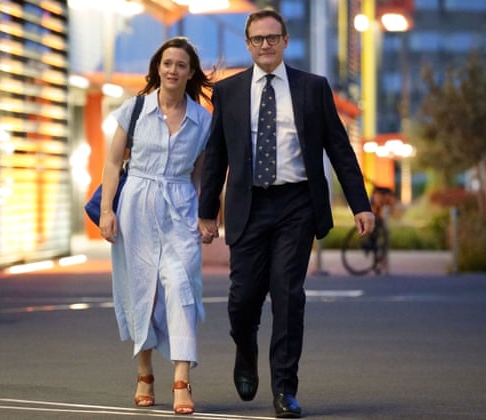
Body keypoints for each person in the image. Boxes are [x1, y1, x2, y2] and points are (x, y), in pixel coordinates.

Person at [198, 9, 376, 419]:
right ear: (247, 44)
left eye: (272, 38)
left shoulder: (313, 88)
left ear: (285, 41)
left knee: (288, 297)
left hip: (296, 205)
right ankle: (246, 348)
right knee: (242, 301)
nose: (265, 45)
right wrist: (208, 213)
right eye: (258, 39)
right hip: (248, 206)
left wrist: (360, 204)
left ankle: (284, 389)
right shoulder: (229, 92)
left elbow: (339, 148)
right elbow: (216, 157)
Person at [98, 37, 213, 415]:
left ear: (191, 72)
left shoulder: (202, 121)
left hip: (180, 207)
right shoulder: (133, 110)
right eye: (167, 63)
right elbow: (113, 164)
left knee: (182, 287)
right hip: (136, 205)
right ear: (157, 68)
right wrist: (107, 211)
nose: (173, 70)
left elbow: (202, 176)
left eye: (181, 64)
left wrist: (207, 216)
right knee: (142, 290)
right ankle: (144, 373)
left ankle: (182, 379)